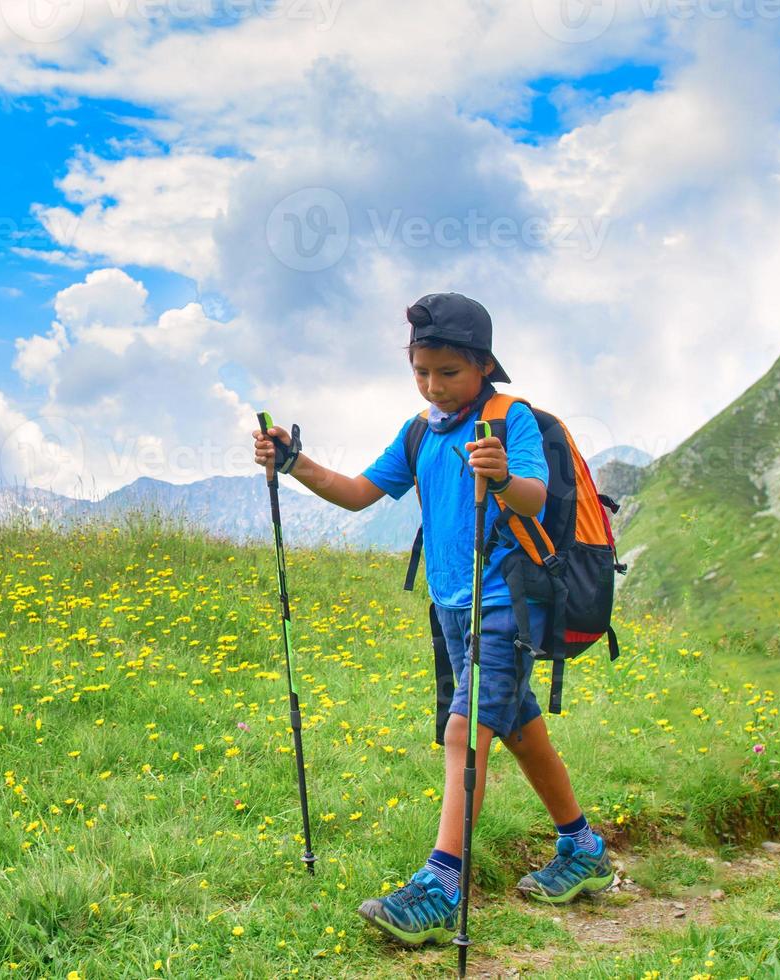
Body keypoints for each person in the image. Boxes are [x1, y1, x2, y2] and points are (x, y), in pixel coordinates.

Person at [251, 292, 615, 947]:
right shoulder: (420, 430)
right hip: (451, 606)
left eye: (448, 372)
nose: (433, 384)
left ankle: (441, 884)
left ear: (482, 365)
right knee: (518, 726)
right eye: (421, 371)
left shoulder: (510, 420)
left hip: (506, 600)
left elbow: (532, 496)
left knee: (464, 730)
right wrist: (294, 462)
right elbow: (359, 494)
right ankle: (583, 848)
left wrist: (502, 476)